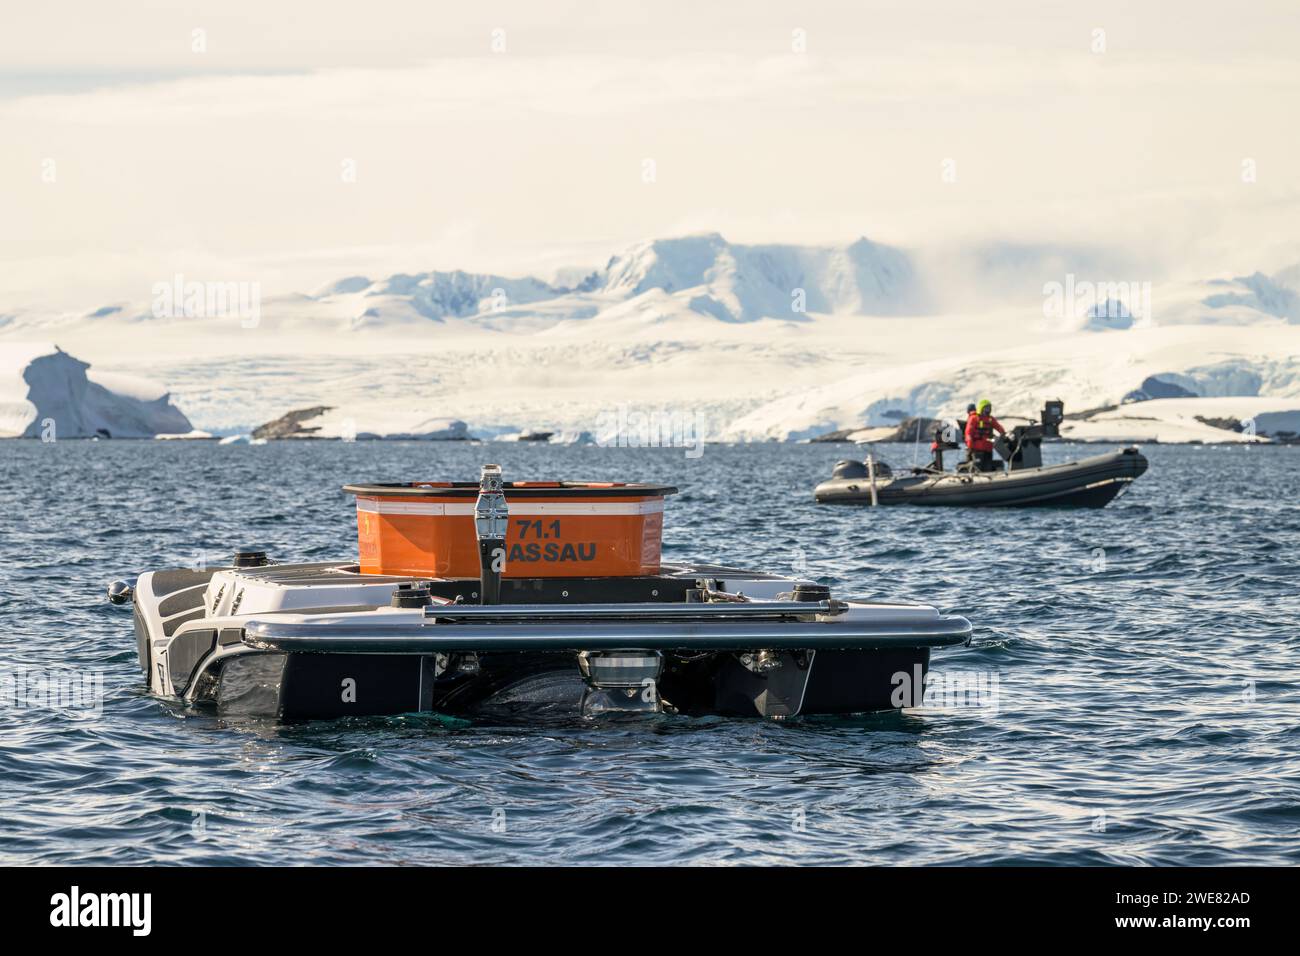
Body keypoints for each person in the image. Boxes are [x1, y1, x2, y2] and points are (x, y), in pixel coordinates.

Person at [965, 399, 1005, 472]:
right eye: (986, 408)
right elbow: (968, 433)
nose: (988, 410)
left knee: (988, 468)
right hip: (977, 449)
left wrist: (1003, 433)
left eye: (989, 408)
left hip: (988, 449)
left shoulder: (990, 419)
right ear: (981, 408)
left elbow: (998, 427)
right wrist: (970, 445)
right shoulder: (974, 418)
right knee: (978, 467)